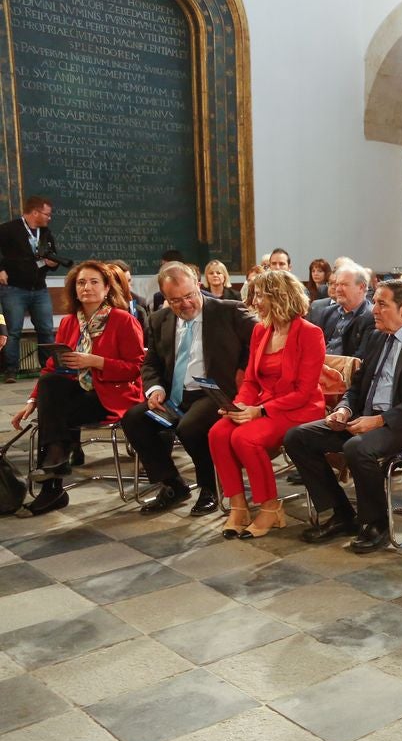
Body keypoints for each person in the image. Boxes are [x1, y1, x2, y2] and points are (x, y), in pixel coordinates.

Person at [286, 279, 402, 553]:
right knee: (298, 437)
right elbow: (357, 386)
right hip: (366, 418)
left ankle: (376, 524)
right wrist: (344, 409)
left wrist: (380, 421)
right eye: (374, 303)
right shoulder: (376, 337)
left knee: (357, 448)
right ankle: (341, 513)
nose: (374, 309)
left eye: (382, 304)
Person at [10, 260, 145, 515]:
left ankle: (52, 487)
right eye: (81, 283)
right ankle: (56, 461)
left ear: (107, 288)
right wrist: (32, 401)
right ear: (74, 289)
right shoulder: (69, 322)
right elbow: (51, 367)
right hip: (76, 394)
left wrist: (96, 361)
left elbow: (136, 368)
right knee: (51, 384)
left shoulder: (123, 320)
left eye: (94, 282)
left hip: (112, 395)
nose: (87, 287)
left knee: (53, 416)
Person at [122, 262, 256, 517]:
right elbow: (150, 363)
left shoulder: (229, 311)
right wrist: (155, 389)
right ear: (165, 297)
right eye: (175, 300)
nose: (185, 304)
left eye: (189, 295)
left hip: (214, 393)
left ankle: (209, 488)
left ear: (198, 285)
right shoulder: (159, 319)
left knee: (190, 427)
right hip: (173, 396)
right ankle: (173, 485)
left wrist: (242, 369)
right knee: (134, 419)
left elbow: (260, 341)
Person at [209, 270, 326, 539]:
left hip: (299, 409)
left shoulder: (310, 333)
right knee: (218, 433)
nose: (255, 302)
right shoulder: (260, 330)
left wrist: (259, 411)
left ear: (280, 297)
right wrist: (238, 405)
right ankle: (238, 507)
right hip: (263, 404)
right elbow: (251, 380)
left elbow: (304, 392)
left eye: (260, 296)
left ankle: (270, 508)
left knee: (244, 438)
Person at [0, 196, 61, 381]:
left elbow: (53, 256)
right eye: (47, 214)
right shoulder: (8, 229)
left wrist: (53, 263)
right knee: (13, 330)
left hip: (39, 288)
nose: (49, 218)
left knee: (46, 330)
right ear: (35, 212)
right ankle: (10, 370)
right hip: (14, 288)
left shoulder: (46, 233)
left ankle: (48, 368)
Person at [316, 265, 374, 356]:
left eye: (344, 284)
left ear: (361, 287)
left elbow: (359, 357)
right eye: (337, 285)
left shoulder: (371, 316)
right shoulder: (328, 312)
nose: (338, 289)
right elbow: (315, 346)